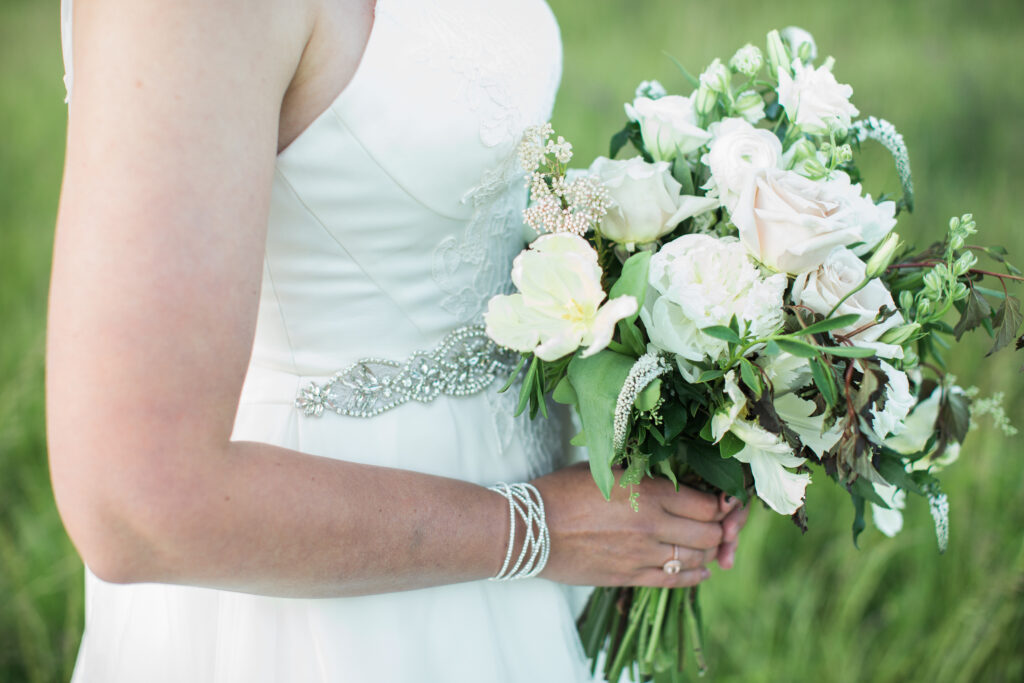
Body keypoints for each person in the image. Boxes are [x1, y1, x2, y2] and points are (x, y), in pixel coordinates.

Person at [48, 0, 750, 680]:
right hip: (318, 602)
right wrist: (539, 530)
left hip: (542, 526)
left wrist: (665, 397)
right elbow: (135, 503)